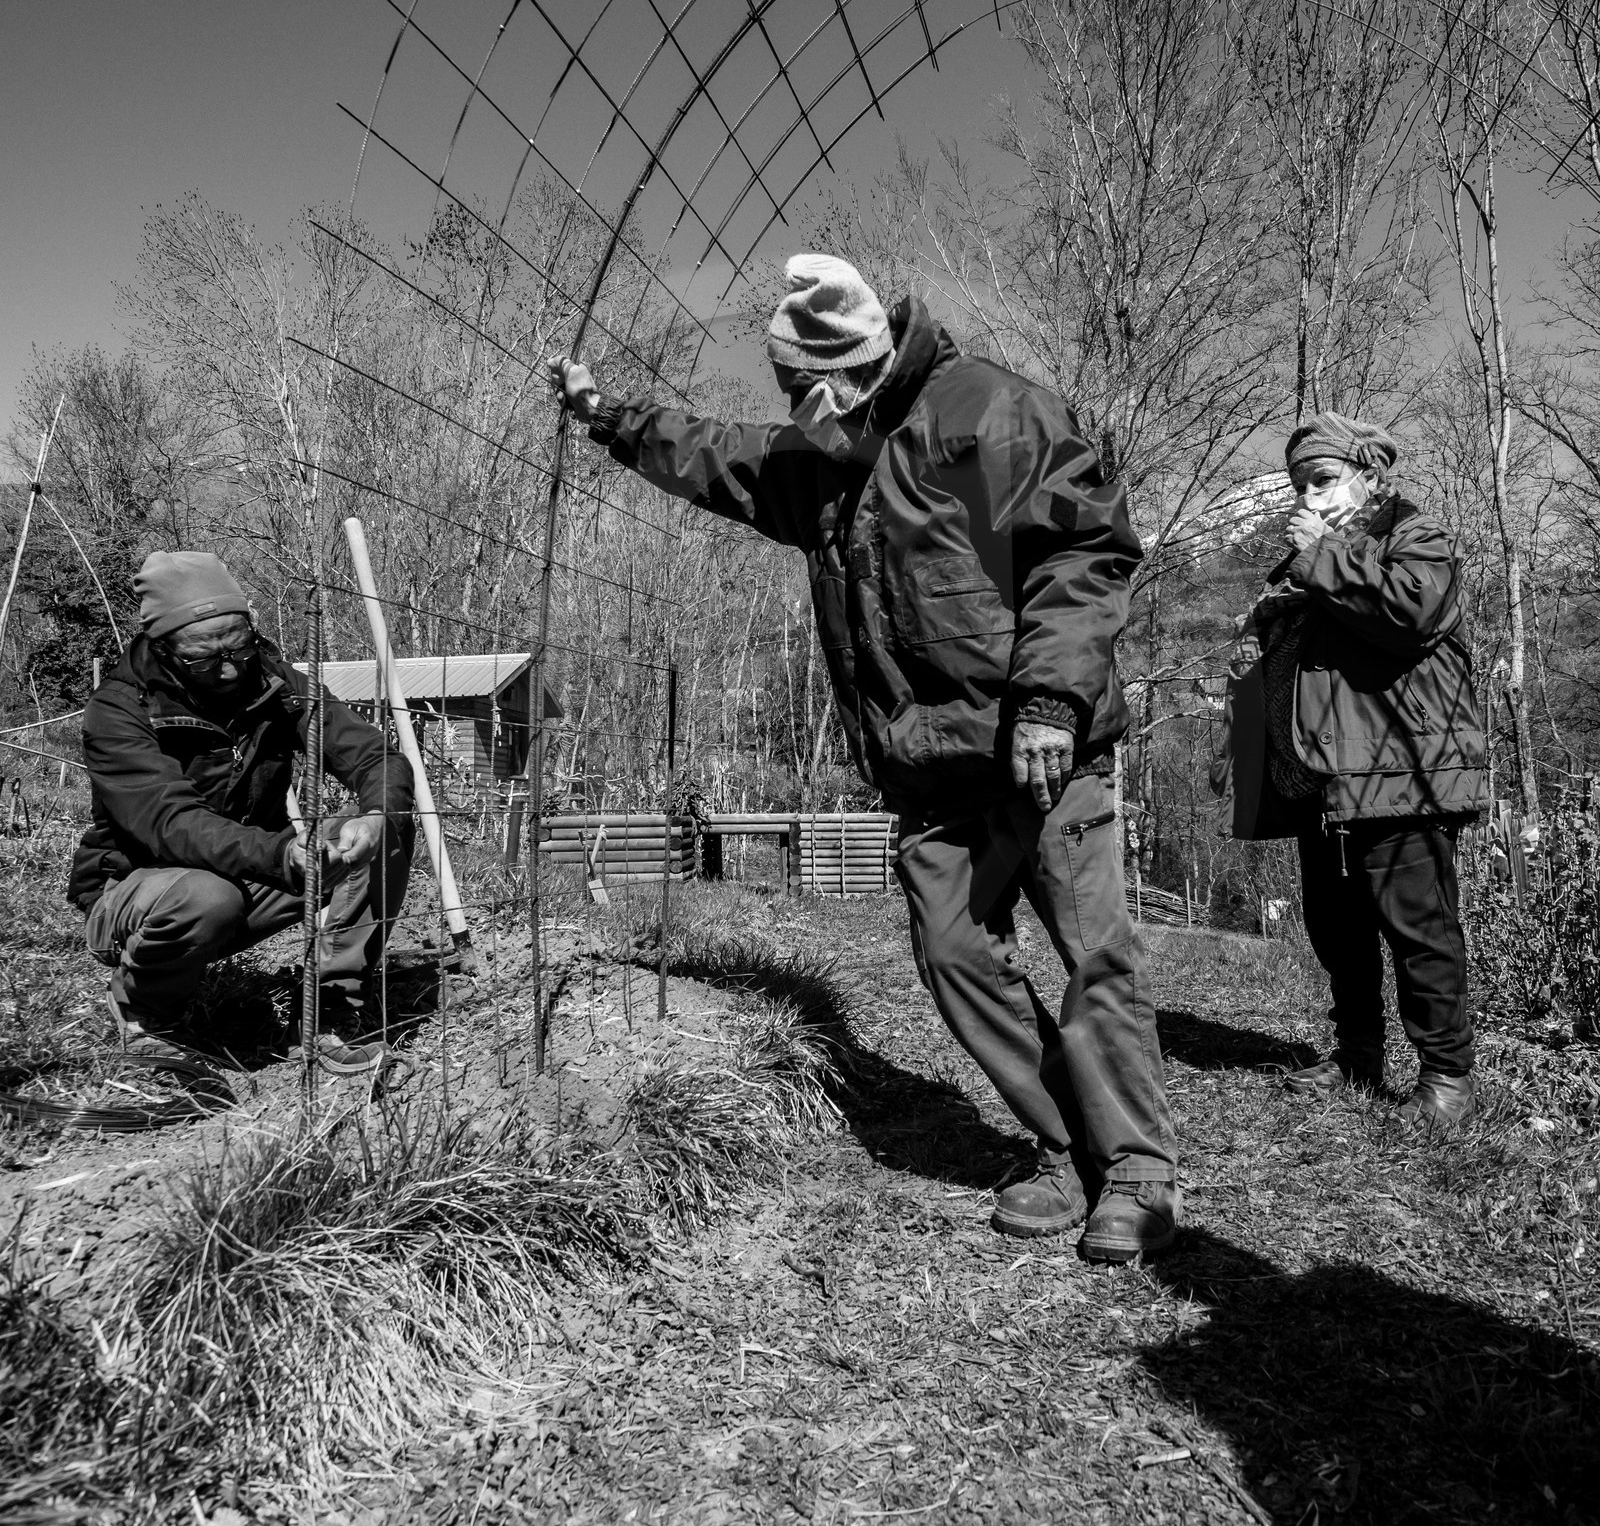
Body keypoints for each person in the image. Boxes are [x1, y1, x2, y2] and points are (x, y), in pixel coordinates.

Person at [550, 255, 1177, 1261]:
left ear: (857, 362)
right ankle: (1066, 1144)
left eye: (803, 387)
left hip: (1041, 747)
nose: (795, 409)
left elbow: (1081, 551)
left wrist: (1052, 702)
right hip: (928, 764)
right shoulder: (816, 460)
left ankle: (1138, 1172)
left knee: (1091, 954)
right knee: (950, 951)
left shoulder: (991, 411)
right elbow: (712, 454)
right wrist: (606, 416)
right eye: (787, 392)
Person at [1214, 412, 1488, 1124]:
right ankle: (1358, 1055)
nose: (1309, 496)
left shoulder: (1414, 536)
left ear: (1368, 476)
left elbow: (1412, 613)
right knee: (1337, 930)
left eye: (1324, 480)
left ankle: (1446, 1081)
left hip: (1402, 775)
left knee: (1419, 928)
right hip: (1323, 779)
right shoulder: (1314, 564)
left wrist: (1320, 559)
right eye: (1300, 484)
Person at [70, 551, 415, 1071]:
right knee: (205, 894)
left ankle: (331, 1005)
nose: (230, 668)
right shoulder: (120, 710)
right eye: (204, 658)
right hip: (138, 892)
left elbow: (374, 755)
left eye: (240, 646)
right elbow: (171, 825)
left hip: (253, 874)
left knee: (378, 829)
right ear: (161, 649)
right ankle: (147, 1016)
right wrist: (282, 852)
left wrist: (374, 813)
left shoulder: (276, 684)